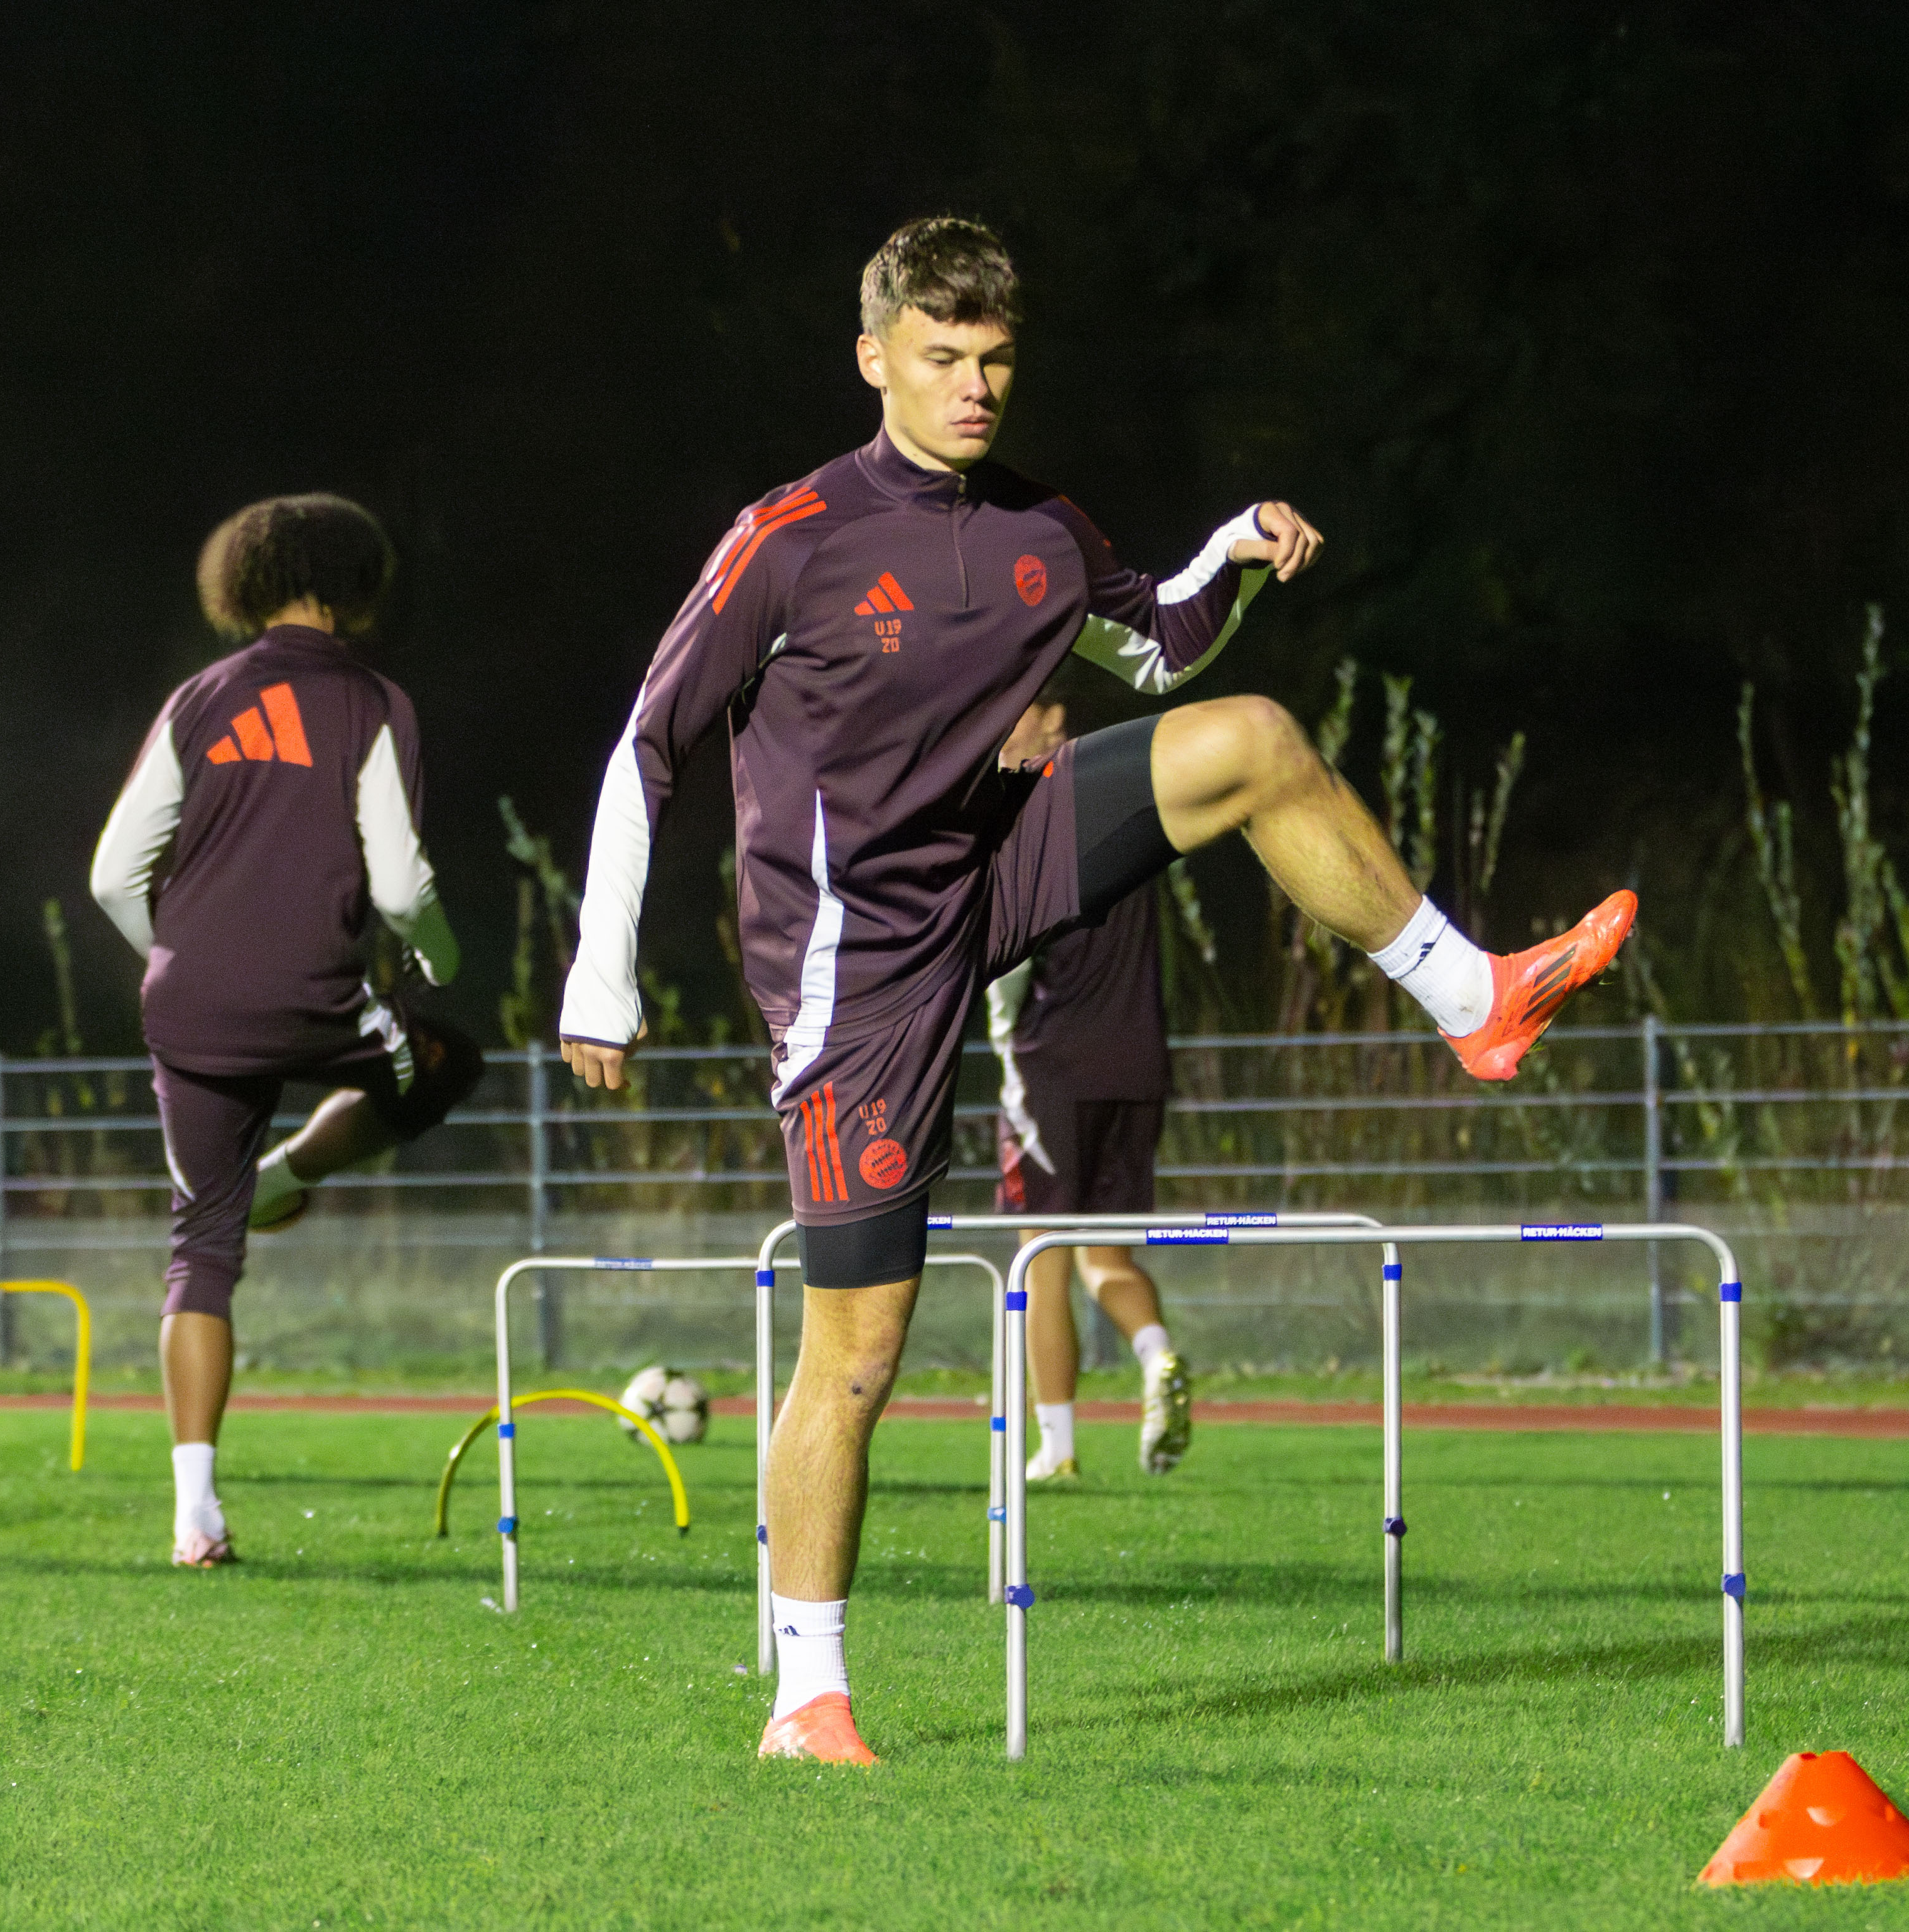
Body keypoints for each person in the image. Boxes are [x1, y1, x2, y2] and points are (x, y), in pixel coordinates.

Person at [556, 216, 1635, 1764]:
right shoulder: (788, 534)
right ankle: (807, 1695)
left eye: (994, 361)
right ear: (874, 361)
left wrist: (1237, 545)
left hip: (1003, 859)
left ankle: (1474, 994)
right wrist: (601, 968)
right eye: (940, 359)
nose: (973, 387)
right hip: (851, 968)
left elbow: (1161, 641)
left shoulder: (1039, 529)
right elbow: (645, 745)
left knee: (1252, 735)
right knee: (856, 1350)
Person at [90, 493, 466, 1568]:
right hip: (319, 1001)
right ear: (358, 581)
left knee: (199, 1253)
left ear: (240, 584)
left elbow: (114, 871)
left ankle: (194, 1513)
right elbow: (398, 880)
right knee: (445, 1061)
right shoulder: (374, 698)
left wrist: (175, 955)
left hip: (192, 1007)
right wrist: (443, 950)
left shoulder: (198, 695)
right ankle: (291, 1170)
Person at [983, 690, 1190, 1484]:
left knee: (1041, 1258)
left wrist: (1006, 1058)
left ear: (1047, 718)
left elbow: (1004, 968)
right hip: (1139, 1062)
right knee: (1108, 1255)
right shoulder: (1134, 812)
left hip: (1053, 1066)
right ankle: (1157, 1355)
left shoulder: (1030, 821)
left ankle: (1059, 1447)